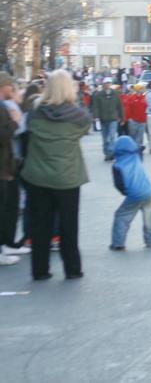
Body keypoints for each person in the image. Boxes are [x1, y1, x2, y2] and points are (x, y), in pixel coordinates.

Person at [20, 70, 92, 281]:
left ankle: (40, 269)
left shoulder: (34, 113)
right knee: (69, 225)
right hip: (67, 177)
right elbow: (85, 125)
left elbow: (26, 133)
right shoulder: (78, 118)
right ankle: (72, 268)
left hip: (37, 176)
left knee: (40, 224)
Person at [109, 136, 151, 250]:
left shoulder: (117, 165)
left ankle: (118, 243)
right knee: (149, 217)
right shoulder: (137, 157)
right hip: (149, 192)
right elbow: (140, 150)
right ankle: (150, 241)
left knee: (121, 216)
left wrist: (126, 192)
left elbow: (119, 184)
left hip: (134, 194)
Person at [0, 73, 24, 265]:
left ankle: (6, 244)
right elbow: (3, 134)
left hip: (6, 165)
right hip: (3, 166)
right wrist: (15, 120)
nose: (13, 89)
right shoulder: (2, 107)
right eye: (10, 86)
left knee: (9, 206)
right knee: (5, 207)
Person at [91, 77, 123, 161]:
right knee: (105, 139)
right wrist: (96, 117)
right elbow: (95, 107)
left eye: (109, 83)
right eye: (106, 83)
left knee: (112, 136)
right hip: (103, 119)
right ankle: (106, 153)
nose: (108, 84)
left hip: (113, 119)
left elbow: (119, 106)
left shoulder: (115, 94)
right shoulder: (98, 95)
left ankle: (111, 152)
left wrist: (122, 117)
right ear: (103, 84)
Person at [123, 83, 147, 149]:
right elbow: (128, 109)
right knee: (133, 135)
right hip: (133, 120)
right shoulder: (131, 98)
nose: (143, 90)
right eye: (141, 88)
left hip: (142, 120)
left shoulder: (144, 98)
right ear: (138, 90)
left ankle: (138, 148)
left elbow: (146, 108)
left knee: (140, 135)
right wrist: (128, 118)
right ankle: (132, 147)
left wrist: (145, 118)